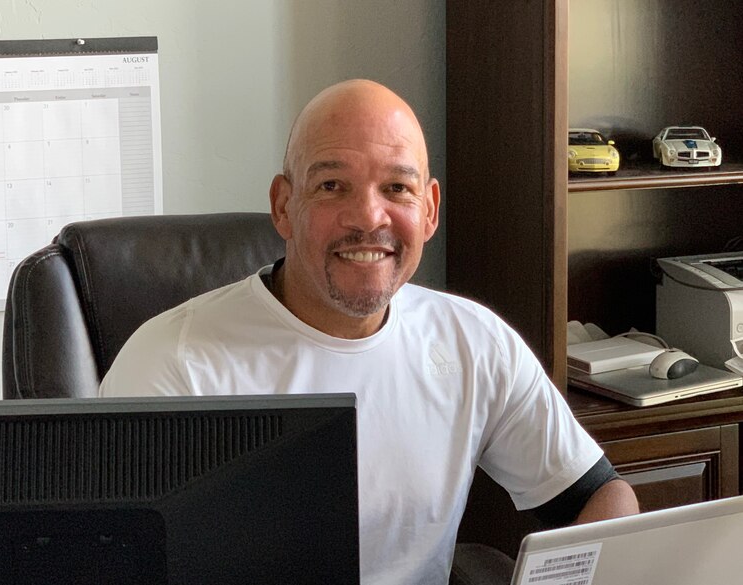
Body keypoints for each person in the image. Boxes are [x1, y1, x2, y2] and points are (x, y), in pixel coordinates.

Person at [100, 79, 639, 584]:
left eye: (396, 187)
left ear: (428, 211)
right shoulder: (172, 363)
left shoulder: (474, 343)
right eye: (332, 185)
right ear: (284, 206)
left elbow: (601, 496)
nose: (368, 216)